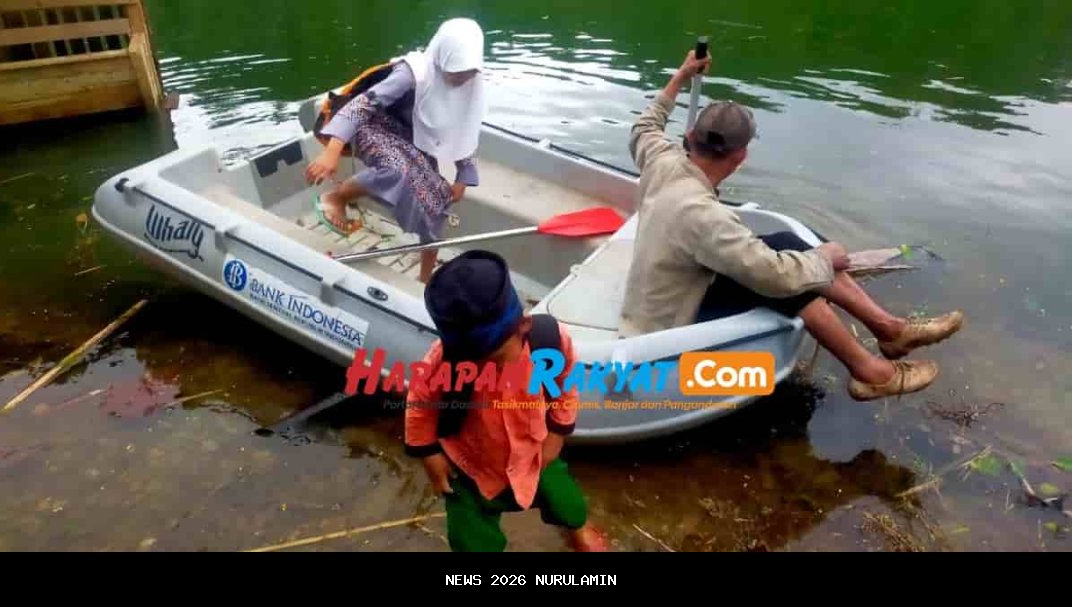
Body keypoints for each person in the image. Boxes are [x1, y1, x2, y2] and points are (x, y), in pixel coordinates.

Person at [619, 48, 964, 401]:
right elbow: (774, 276)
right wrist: (825, 257)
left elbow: (645, 124)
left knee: (785, 241)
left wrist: (682, 74)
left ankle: (890, 331)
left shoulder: (662, 159)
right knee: (786, 282)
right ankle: (873, 371)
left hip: (673, 281)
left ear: (691, 138)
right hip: (669, 324)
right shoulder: (705, 216)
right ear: (742, 156)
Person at [404, 250, 609, 552]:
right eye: (476, 364)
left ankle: (576, 530)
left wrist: (556, 433)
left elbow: (565, 382)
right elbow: (419, 404)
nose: (487, 371)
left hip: (533, 450)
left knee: (568, 504)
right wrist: (430, 456)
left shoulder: (548, 343)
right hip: (470, 463)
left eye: (496, 360)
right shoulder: (442, 361)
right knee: (471, 541)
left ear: (523, 327)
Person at [305, 18, 486, 283]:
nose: (462, 78)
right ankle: (337, 197)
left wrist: (463, 174)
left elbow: (463, 126)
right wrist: (332, 151)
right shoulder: (413, 73)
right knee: (396, 169)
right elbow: (361, 105)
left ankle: (424, 280)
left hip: (414, 135)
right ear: (441, 58)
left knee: (437, 201)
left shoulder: (471, 82)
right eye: (455, 72)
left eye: (468, 72)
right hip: (373, 124)